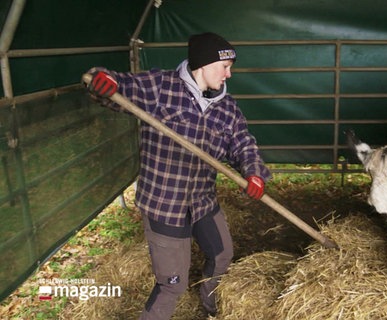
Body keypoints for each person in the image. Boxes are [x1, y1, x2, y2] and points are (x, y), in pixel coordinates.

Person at [84, 32, 271, 319]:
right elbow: (118, 86)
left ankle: (211, 306)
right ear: (205, 64)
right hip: (164, 205)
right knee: (172, 285)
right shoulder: (161, 87)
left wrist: (255, 174)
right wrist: (102, 82)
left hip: (202, 201)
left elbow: (243, 144)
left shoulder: (227, 108)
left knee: (221, 255)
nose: (229, 74)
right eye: (225, 67)